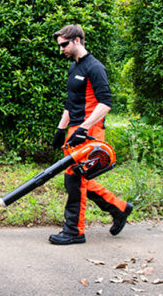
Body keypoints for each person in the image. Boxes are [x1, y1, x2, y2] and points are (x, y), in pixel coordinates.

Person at [48, 24, 134, 245]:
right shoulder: (73, 68)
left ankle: (74, 231)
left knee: (74, 179)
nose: (62, 50)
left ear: (77, 40)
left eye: (64, 45)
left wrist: (84, 129)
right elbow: (71, 103)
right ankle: (120, 208)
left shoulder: (94, 68)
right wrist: (60, 129)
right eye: (60, 46)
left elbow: (105, 104)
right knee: (79, 178)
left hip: (90, 130)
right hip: (74, 130)